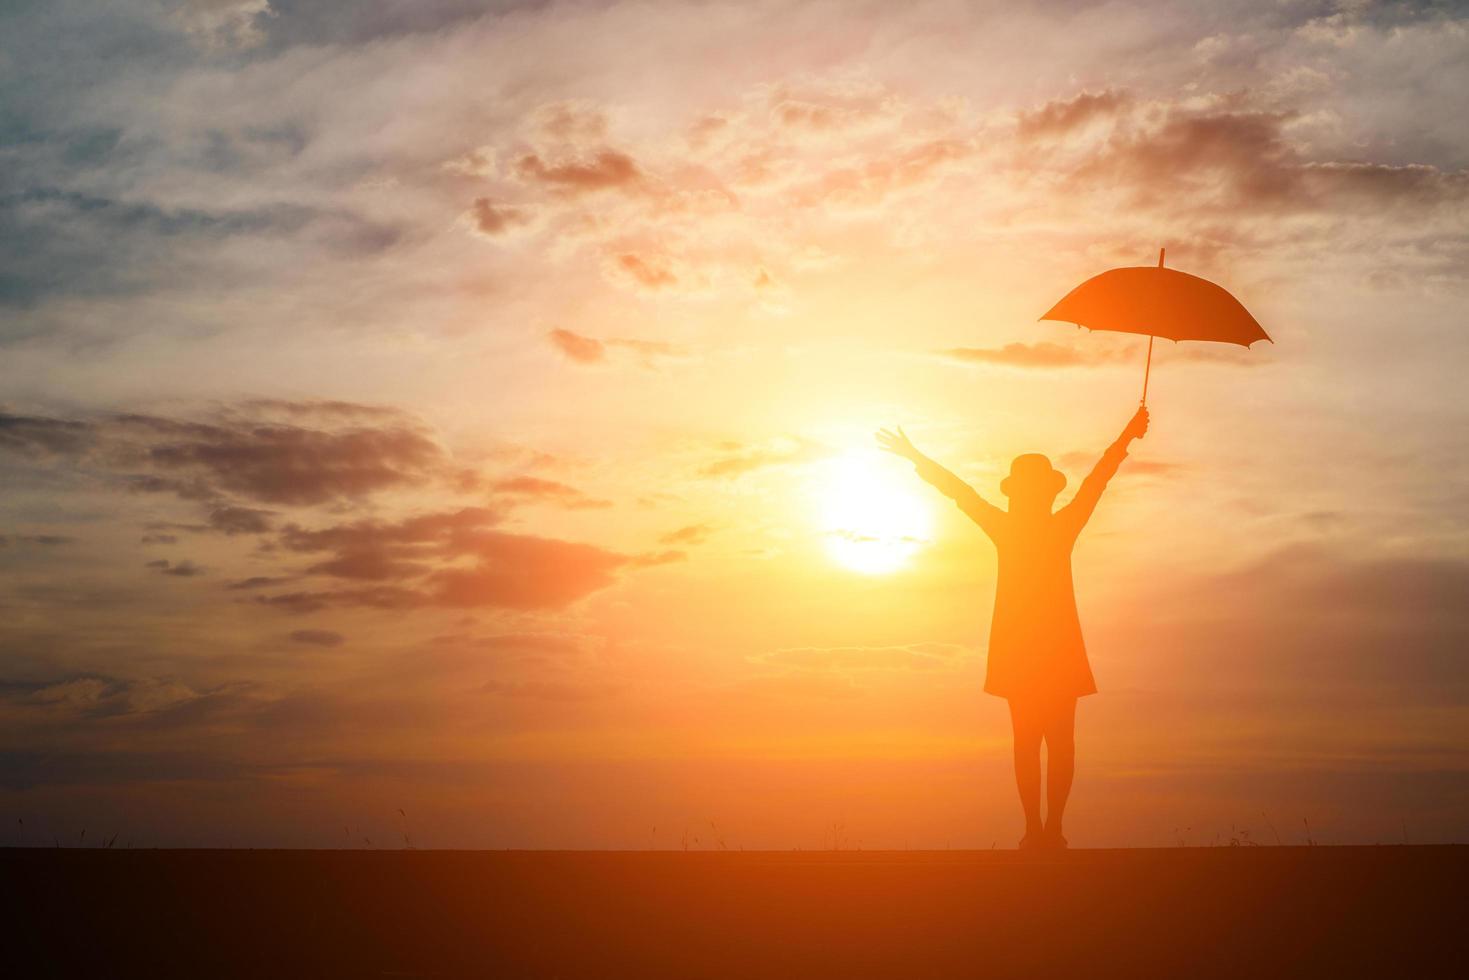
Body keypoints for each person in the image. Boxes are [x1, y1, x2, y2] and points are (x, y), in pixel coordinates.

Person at [877, 406, 1149, 851]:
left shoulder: (1014, 527)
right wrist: (1127, 437)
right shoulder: (1055, 526)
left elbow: (959, 492)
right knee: (1051, 744)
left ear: (1022, 494)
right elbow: (1097, 478)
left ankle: (1042, 830)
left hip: (1029, 650)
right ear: (1040, 493)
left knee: (1038, 743)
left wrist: (915, 456)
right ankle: (1044, 830)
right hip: (1048, 649)